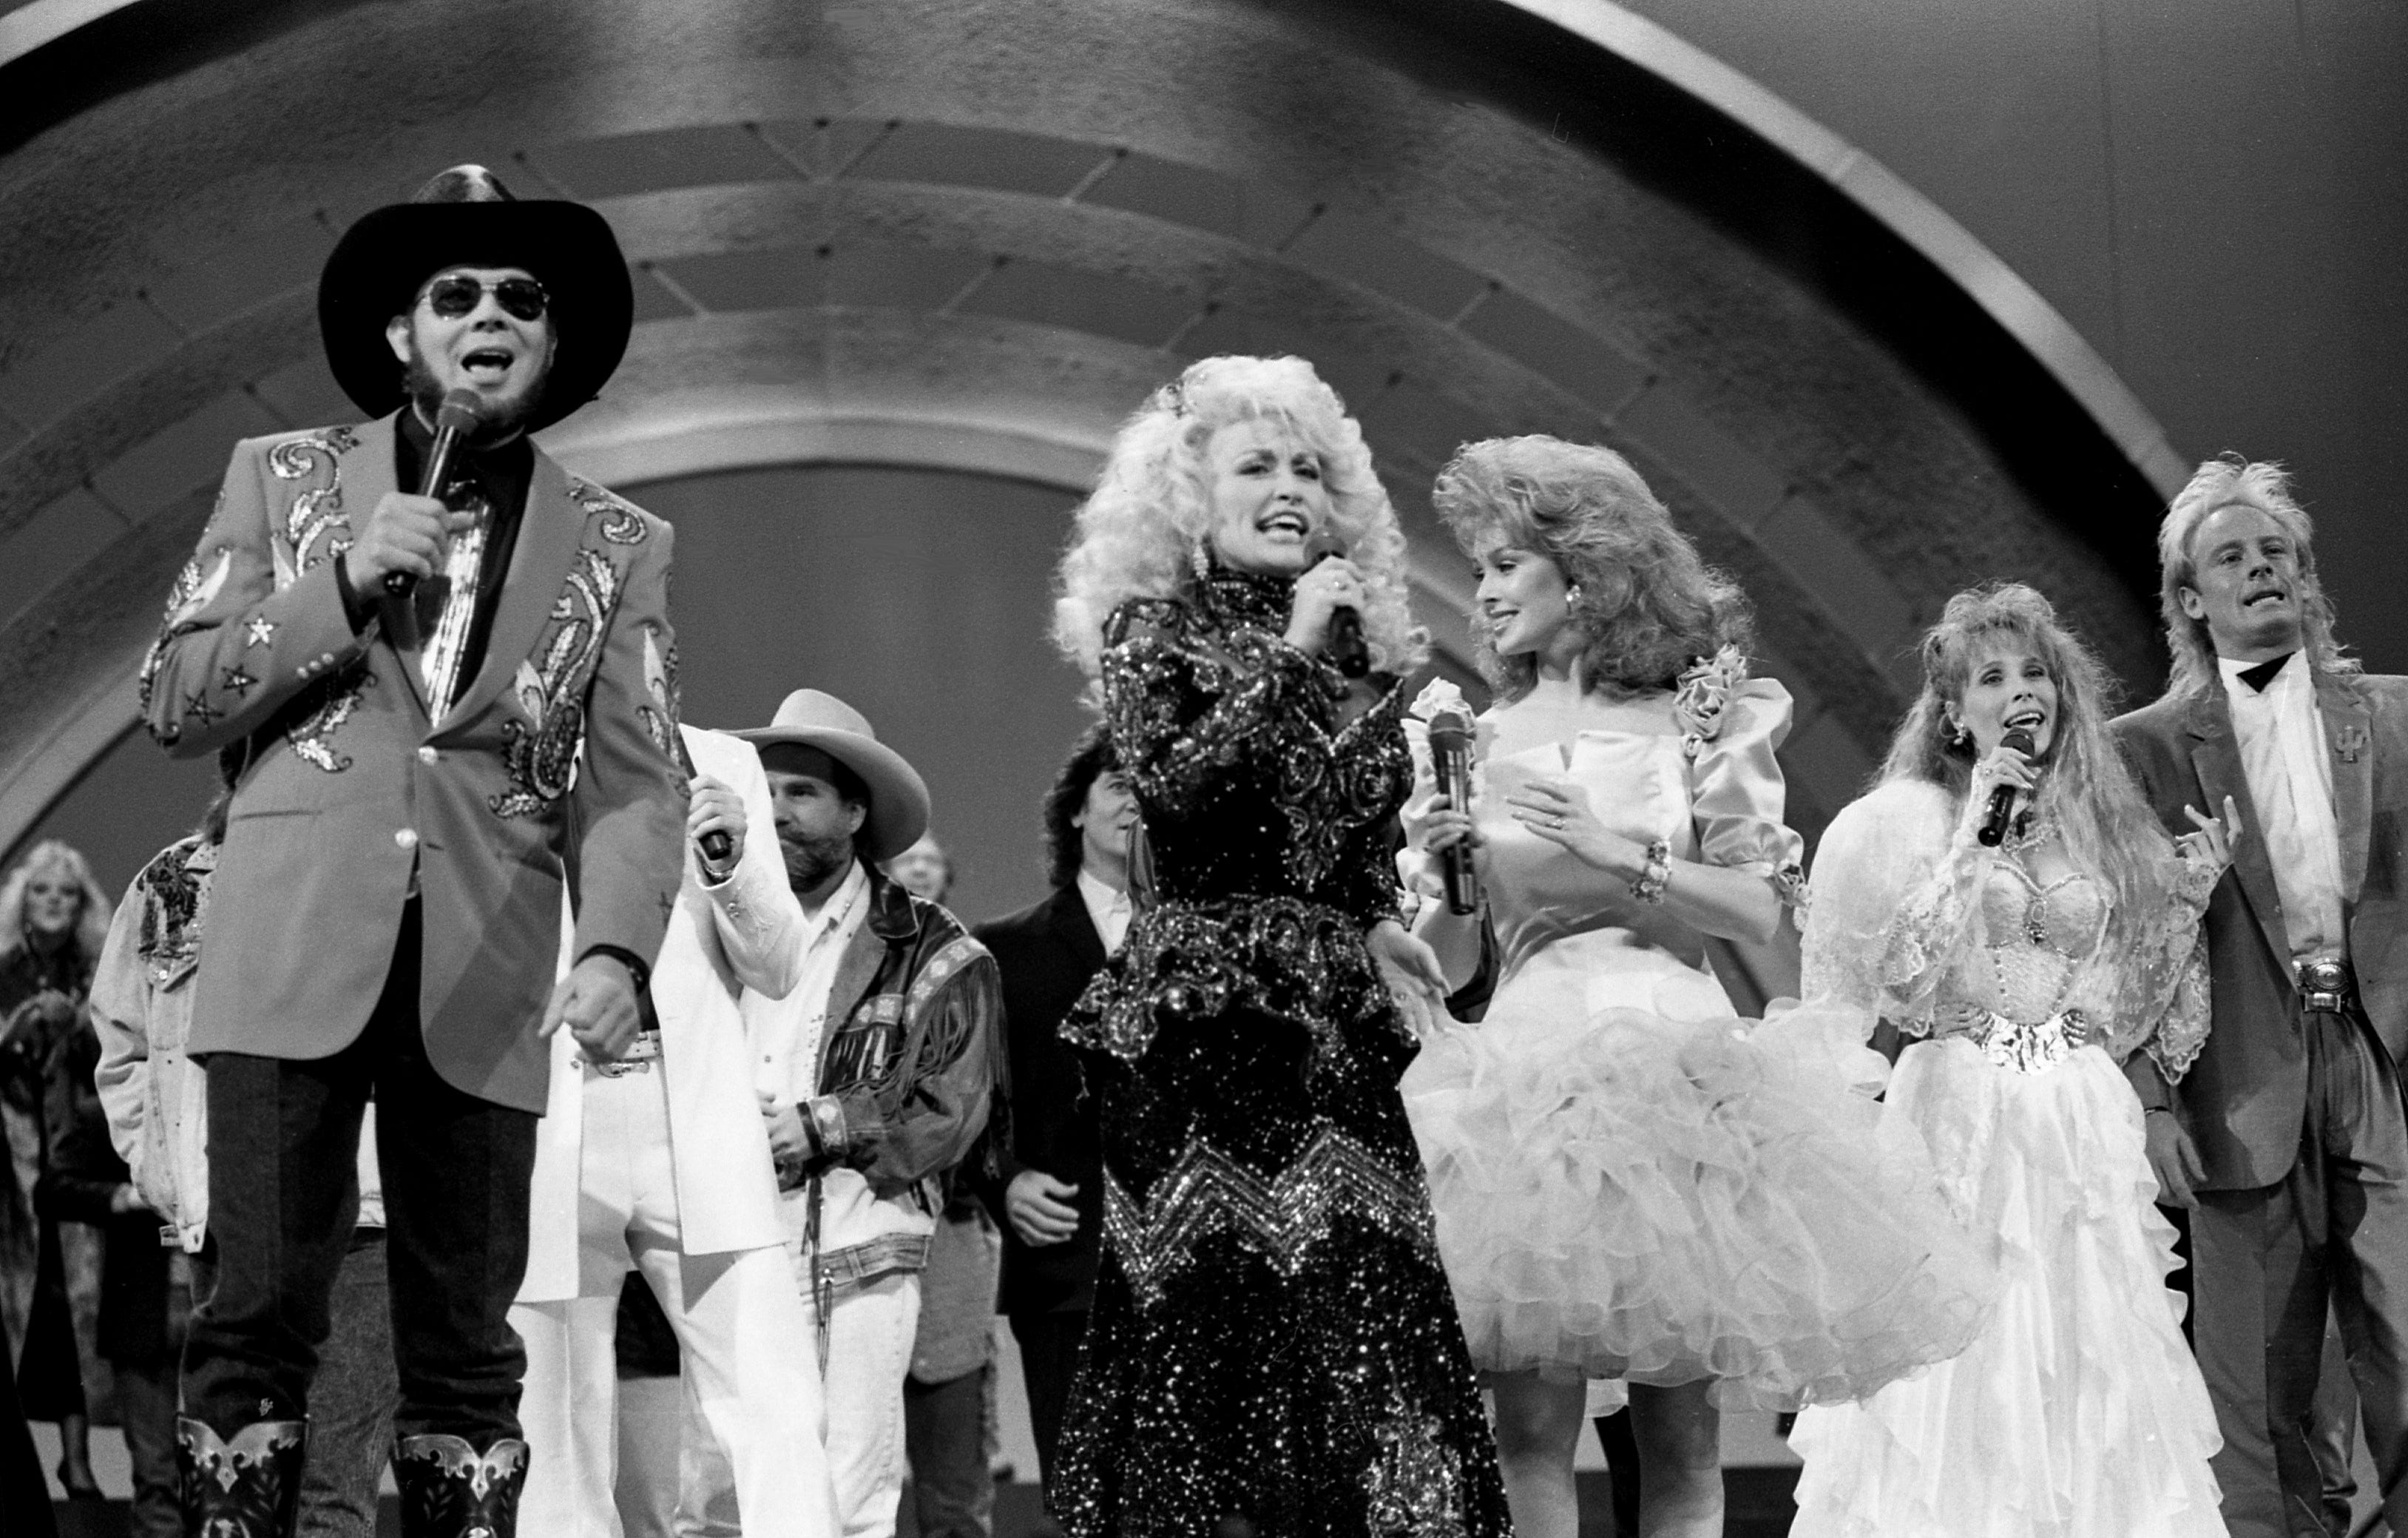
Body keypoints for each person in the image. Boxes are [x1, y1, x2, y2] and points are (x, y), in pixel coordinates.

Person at [136, 162, 688, 1537]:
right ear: (403, 333)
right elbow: (169, 693)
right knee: (256, 1314)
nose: (488, 314)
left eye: (520, 297)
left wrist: (617, 943)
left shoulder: (622, 541)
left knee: (466, 1346)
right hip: (287, 952)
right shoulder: (281, 480)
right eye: (457, 293)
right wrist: (337, 583)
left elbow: (637, 778)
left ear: (551, 344)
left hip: (487, 966)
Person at [1399, 435, 1992, 1538]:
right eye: (1475, 566)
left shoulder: (1697, 724)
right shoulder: (1466, 741)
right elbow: (1455, 960)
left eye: (1502, 563)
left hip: (1681, 1068)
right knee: (1528, 1435)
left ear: (1583, 572)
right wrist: (1444, 877)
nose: (1480, 591)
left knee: (1681, 1441)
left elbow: (1757, 910)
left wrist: (1622, 850)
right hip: (1531, 1080)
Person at [1045, 354, 1511, 1537]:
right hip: (1204, 1031)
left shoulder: (1371, 673)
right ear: (1191, 498)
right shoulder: (1153, 630)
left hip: (1334, 1034)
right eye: (1257, 464)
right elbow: (1183, 794)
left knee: (1368, 1323)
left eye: (1310, 466)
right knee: (1218, 1337)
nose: (1291, 485)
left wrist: (1382, 927)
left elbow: (1338, 856)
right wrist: (1293, 655)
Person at [1786, 582, 2233, 1536]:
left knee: (2085, 1358)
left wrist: (2189, 894)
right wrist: (1971, 832)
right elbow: (1900, 988)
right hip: (1956, 1114)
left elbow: (2128, 1006)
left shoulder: (2101, 830)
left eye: (2037, 672)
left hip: (2073, 1122)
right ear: (1952, 712)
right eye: (1992, 677)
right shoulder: (1913, 821)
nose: (2021, 690)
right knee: (1964, 1370)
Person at [2114, 456, 2408, 1537]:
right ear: (2191, 598)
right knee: (2262, 1387)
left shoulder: (2394, 717)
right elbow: (2119, 943)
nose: (2260, 570)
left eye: (2276, 552)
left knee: (2405, 1341)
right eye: (2230, 558)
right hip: (2236, 1075)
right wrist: (2147, 1099)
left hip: (2380, 1059)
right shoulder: (2140, 750)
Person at [511, 723, 838, 1538]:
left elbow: (778, 964)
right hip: (550, 1111)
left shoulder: (719, 761)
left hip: (692, 1114)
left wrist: (730, 866)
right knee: (554, 1432)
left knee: (777, 1403)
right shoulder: (501, 741)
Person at [715, 689, 1001, 1538]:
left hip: (857, 1251)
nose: (778, 814)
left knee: (848, 1496)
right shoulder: (706, 926)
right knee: (718, 1487)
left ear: (853, 812)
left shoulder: (937, 952)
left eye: (801, 794)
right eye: (765, 793)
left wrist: (825, 1124)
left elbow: (949, 1109)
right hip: (726, 1244)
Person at [85, 776, 399, 1538]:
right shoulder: (170, 884)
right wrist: (157, 1167)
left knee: (331, 1484)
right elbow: (121, 1040)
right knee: (236, 1483)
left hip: (362, 1223)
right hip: (227, 1223)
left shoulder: (388, 867)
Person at [972, 726, 1130, 1494]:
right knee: (1088, 1500)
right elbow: (968, 1098)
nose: (1140, 804)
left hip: (1207, 1272)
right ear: (1075, 810)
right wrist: (1002, 1183)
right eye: (1119, 785)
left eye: (1155, 787)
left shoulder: (1223, 945)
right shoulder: (1001, 951)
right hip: (1070, 1260)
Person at [0, 839, 112, 1501]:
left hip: (74, 1158)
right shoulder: (4, 971)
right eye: (42, 891)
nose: (54, 903)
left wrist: (79, 1027)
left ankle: (79, 1462)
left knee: (74, 1308)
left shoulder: (96, 971)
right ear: (23, 899)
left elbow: (120, 1053)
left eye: (66, 893)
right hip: (9, 1165)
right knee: (18, 1304)